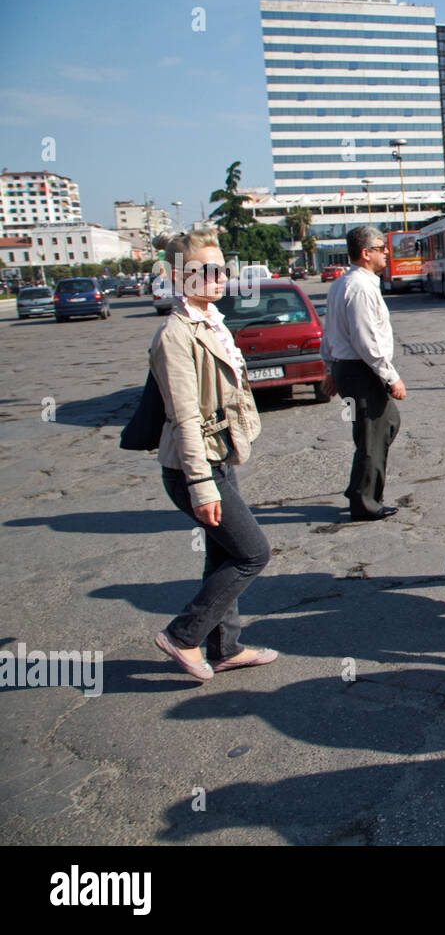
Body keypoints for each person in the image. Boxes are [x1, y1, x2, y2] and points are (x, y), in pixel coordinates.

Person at [149, 229, 276, 680]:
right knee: (252, 553)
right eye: (208, 270)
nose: (220, 276)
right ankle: (184, 635)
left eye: (223, 268)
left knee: (222, 556)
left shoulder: (210, 321)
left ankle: (225, 648)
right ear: (181, 277)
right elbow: (184, 417)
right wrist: (202, 486)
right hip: (192, 466)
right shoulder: (175, 335)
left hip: (217, 456)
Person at [319, 226, 406, 521]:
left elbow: (329, 333)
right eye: (381, 248)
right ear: (366, 253)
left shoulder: (346, 284)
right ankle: (365, 501)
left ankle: (361, 490)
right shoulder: (359, 287)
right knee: (372, 435)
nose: (386, 253)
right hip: (361, 370)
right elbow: (366, 339)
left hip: (350, 368)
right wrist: (390, 376)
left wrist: (331, 369)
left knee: (386, 424)